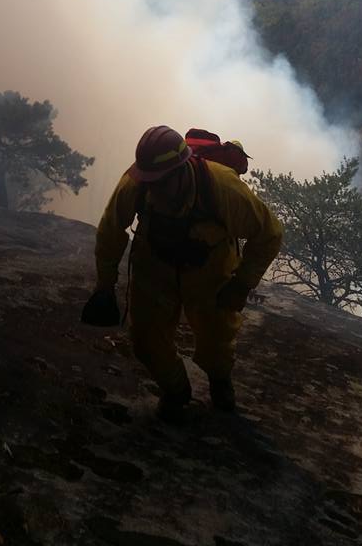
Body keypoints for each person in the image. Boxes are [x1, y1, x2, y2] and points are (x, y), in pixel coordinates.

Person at [82, 125, 282, 422]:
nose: (154, 189)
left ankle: (219, 380)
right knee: (146, 339)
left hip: (210, 270)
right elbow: (111, 231)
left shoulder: (223, 188)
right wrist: (105, 284)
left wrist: (241, 284)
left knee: (217, 338)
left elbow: (269, 234)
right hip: (155, 266)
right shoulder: (136, 182)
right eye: (149, 182)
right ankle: (176, 390)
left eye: (160, 182)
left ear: (181, 169)